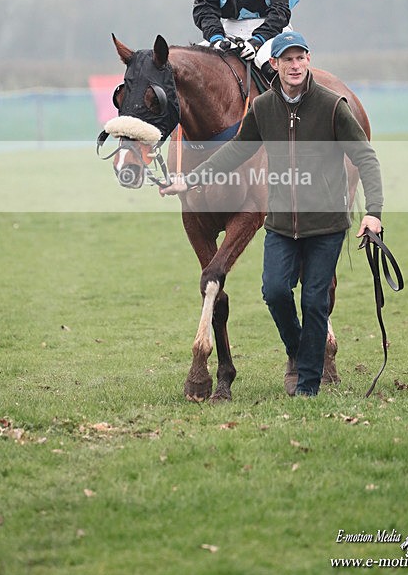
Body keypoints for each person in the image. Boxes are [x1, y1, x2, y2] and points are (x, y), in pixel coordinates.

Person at [160, 31, 383, 398]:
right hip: (280, 225)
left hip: (323, 224)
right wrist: (190, 180)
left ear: (308, 60)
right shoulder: (263, 108)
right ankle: (299, 351)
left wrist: (373, 212)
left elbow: (365, 158)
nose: (295, 66)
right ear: (275, 64)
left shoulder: (332, 105)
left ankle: (306, 382)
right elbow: (235, 151)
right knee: (275, 293)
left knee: (314, 301)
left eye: (300, 58)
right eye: (287, 60)